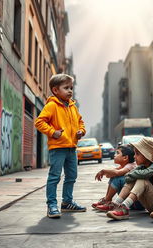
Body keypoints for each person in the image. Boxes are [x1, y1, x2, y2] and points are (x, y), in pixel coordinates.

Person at [35, 73, 86, 218]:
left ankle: (67, 203)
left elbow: (80, 121)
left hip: (71, 148)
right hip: (58, 148)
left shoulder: (72, 107)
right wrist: (52, 132)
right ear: (55, 90)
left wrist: (81, 131)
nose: (70, 91)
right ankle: (51, 205)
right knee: (54, 177)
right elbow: (39, 122)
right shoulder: (51, 105)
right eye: (66, 88)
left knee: (72, 176)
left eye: (71, 88)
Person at [106, 136, 153, 220]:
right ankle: (116, 203)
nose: (134, 157)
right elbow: (127, 178)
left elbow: (145, 173)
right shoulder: (141, 166)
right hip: (148, 205)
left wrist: (131, 174)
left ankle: (125, 206)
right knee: (134, 178)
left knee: (141, 179)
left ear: (146, 155)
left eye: (137, 154)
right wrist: (131, 174)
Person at [92, 144, 143, 211]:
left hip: (135, 203)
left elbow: (117, 173)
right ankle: (107, 199)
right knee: (115, 176)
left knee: (118, 178)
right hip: (129, 201)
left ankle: (107, 200)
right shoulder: (123, 166)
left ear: (125, 158)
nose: (114, 155)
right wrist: (108, 173)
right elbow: (110, 174)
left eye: (117, 153)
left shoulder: (131, 166)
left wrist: (104, 171)